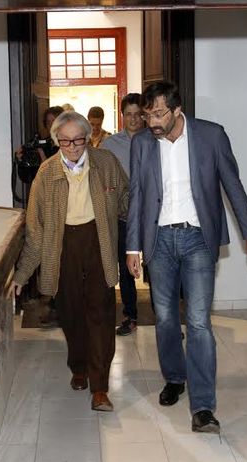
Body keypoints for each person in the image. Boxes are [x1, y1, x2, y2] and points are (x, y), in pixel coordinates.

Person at [126, 81, 247, 433]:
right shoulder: (142, 143)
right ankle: (175, 377)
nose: (152, 122)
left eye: (159, 114)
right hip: (159, 241)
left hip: (198, 239)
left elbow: (233, 185)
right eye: (147, 115)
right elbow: (137, 195)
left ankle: (203, 406)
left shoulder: (211, 136)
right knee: (165, 318)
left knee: (199, 322)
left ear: (177, 109)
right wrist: (132, 247)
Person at [10, 111, 128, 412]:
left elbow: (127, 202)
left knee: (101, 314)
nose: (73, 148)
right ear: (56, 141)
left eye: (78, 140)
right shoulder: (46, 173)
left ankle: (100, 387)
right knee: (71, 314)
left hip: (99, 243)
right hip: (61, 248)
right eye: (65, 142)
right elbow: (35, 230)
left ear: (88, 138)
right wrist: (22, 273)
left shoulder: (106, 163)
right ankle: (79, 366)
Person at [101, 93, 144, 336]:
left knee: (159, 269)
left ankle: (165, 320)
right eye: (129, 114)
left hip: (152, 216)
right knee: (125, 268)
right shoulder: (109, 145)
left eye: (138, 114)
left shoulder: (156, 140)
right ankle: (130, 316)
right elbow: (98, 175)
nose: (134, 119)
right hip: (122, 216)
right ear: (122, 116)